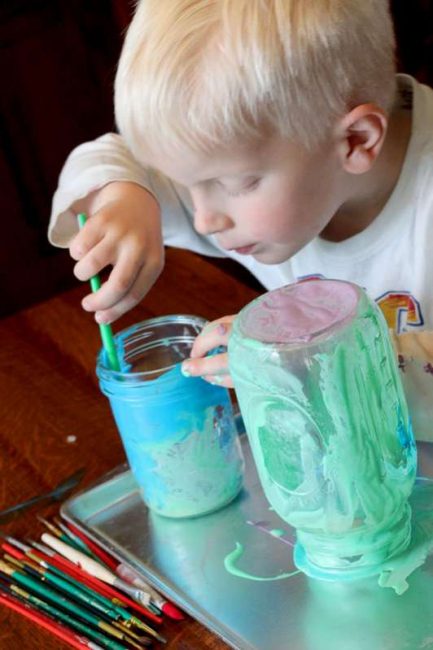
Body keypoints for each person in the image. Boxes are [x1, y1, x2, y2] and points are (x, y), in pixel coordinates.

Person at [49, 0, 433, 435]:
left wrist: (311, 366)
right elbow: (99, 156)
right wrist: (123, 194)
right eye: (184, 182)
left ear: (355, 141)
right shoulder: (268, 168)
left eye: (236, 184)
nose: (204, 219)